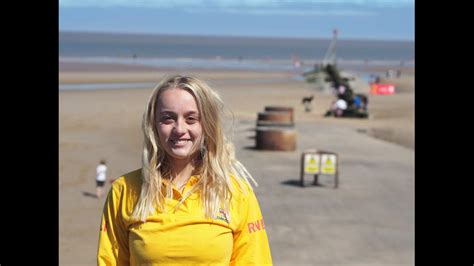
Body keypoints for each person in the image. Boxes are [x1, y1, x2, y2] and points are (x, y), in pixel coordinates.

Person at [97, 75, 273, 265]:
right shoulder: (124, 190)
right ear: (153, 125)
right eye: (167, 118)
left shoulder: (235, 191)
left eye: (191, 119)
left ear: (207, 125)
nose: (179, 129)